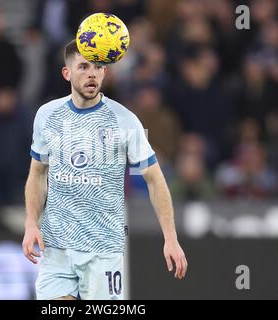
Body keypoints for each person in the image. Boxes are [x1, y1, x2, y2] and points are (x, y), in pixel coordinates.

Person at [22, 40, 187, 300]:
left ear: (105, 73)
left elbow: (154, 179)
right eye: (84, 66)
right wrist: (31, 222)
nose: (92, 73)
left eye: (98, 67)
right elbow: (37, 173)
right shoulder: (47, 115)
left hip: (102, 250)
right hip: (56, 250)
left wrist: (171, 237)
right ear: (67, 73)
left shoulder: (125, 121)